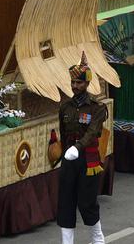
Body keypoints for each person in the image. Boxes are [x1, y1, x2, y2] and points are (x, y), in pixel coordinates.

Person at [57, 53, 108, 244]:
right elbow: (63, 133)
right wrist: (65, 154)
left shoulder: (97, 108)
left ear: (87, 84)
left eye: (79, 82)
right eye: (72, 82)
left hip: (88, 160)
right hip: (69, 159)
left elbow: (93, 132)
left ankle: (97, 238)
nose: (74, 86)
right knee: (65, 201)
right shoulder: (65, 107)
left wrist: (77, 148)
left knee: (87, 202)